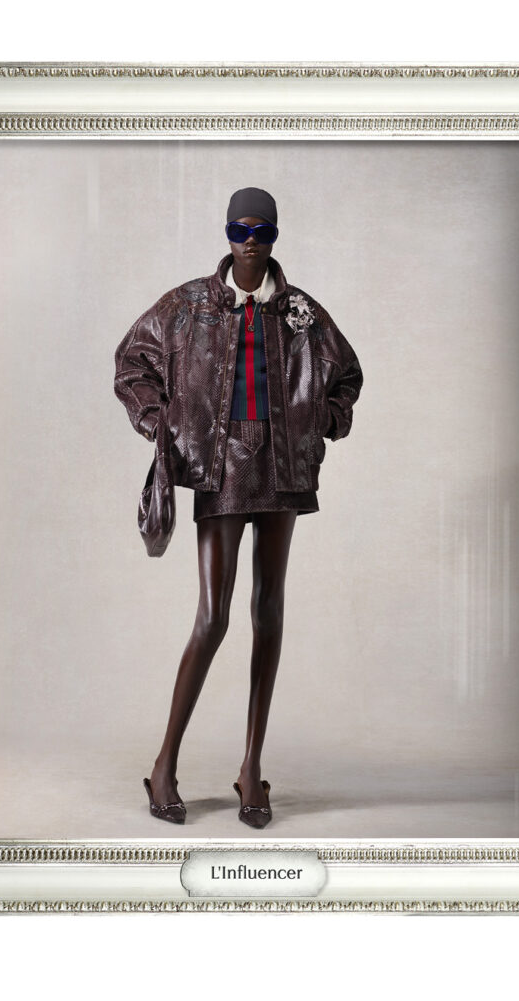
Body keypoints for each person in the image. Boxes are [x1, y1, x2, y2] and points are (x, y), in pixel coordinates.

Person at [114, 187, 363, 828]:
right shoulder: (188, 306)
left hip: (282, 469)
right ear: (226, 233)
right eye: (240, 229)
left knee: (269, 612)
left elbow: (347, 375)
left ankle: (252, 767)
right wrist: (162, 424)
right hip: (220, 468)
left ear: (275, 236)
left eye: (263, 231)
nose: (251, 241)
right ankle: (164, 765)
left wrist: (320, 423)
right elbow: (132, 362)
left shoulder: (301, 311)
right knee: (213, 618)